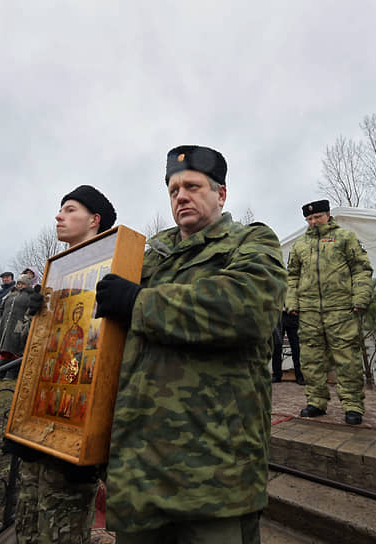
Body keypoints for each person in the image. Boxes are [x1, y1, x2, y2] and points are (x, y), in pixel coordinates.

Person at [95, 145, 286, 542]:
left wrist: (137, 302)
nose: (180, 195)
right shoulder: (149, 257)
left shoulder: (249, 241)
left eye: (193, 186)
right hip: (139, 472)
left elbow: (247, 307)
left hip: (213, 474)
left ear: (221, 194)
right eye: (173, 189)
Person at [10, 184, 117, 544]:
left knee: (62, 530)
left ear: (94, 220)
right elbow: (41, 351)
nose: (59, 215)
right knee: (27, 519)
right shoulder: (54, 277)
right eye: (60, 209)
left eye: (70, 209)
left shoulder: (113, 269)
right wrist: (35, 317)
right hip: (40, 418)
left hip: (79, 420)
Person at [285, 200, 373, 423]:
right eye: (309, 219)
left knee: (347, 360)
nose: (313, 222)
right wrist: (291, 302)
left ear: (328, 215)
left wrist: (361, 297)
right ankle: (316, 402)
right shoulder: (300, 245)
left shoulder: (345, 237)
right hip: (309, 313)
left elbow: (361, 269)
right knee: (311, 359)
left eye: (317, 217)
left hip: (341, 310)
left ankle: (353, 406)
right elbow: (292, 276)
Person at [0, 274, 34, 378]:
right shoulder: (10, 295)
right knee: (4, 349)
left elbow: (31, 312)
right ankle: (0, 372)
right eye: (19, 283)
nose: (20, 285)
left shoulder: (30, 296)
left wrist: (24, 325)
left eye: (23, 283)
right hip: (5, 325)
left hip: (19, 325)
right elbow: (0, 309)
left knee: (15, 349)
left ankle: (12, 373)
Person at [271, 309, 304, 385]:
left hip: (293, 316)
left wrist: (292, 308)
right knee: (276, 347)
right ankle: (276, 375)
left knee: (296, 348)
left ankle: (299, 376)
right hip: (278, 316)